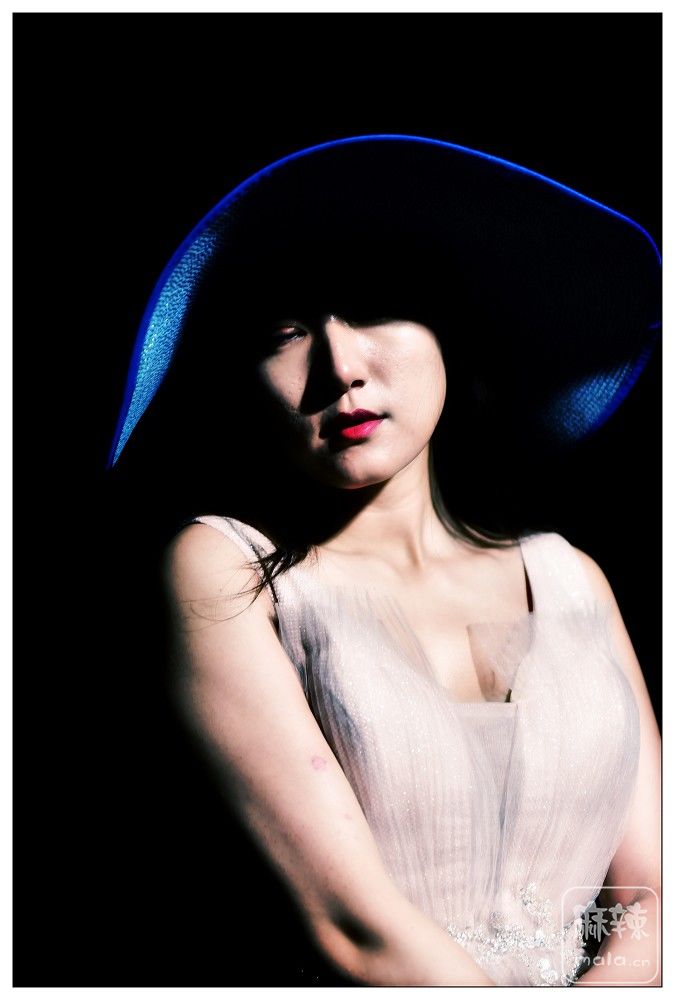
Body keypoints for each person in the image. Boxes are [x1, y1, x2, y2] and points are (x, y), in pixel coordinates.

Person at [108, 135, 661, 986]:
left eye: (371, 310)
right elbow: (352, 927)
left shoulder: (567, 577)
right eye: (283, 333)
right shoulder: (227, 570)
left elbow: (653, 900)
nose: (339, 367)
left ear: (446, 331)